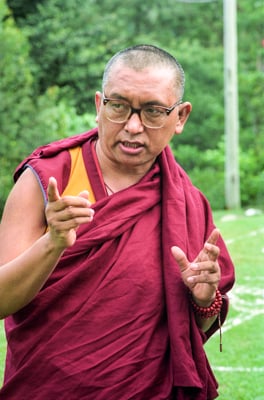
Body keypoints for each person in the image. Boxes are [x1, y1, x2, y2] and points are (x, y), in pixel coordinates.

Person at [0, 44, 235, 399]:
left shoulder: (186, 201)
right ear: (99, 106)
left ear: (181, 116)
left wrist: (203, 298)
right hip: (50, 387)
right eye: (119, 106)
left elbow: (200, 323)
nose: (133, 125)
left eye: (153, 111)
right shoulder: (49, 177)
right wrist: (52, 244)